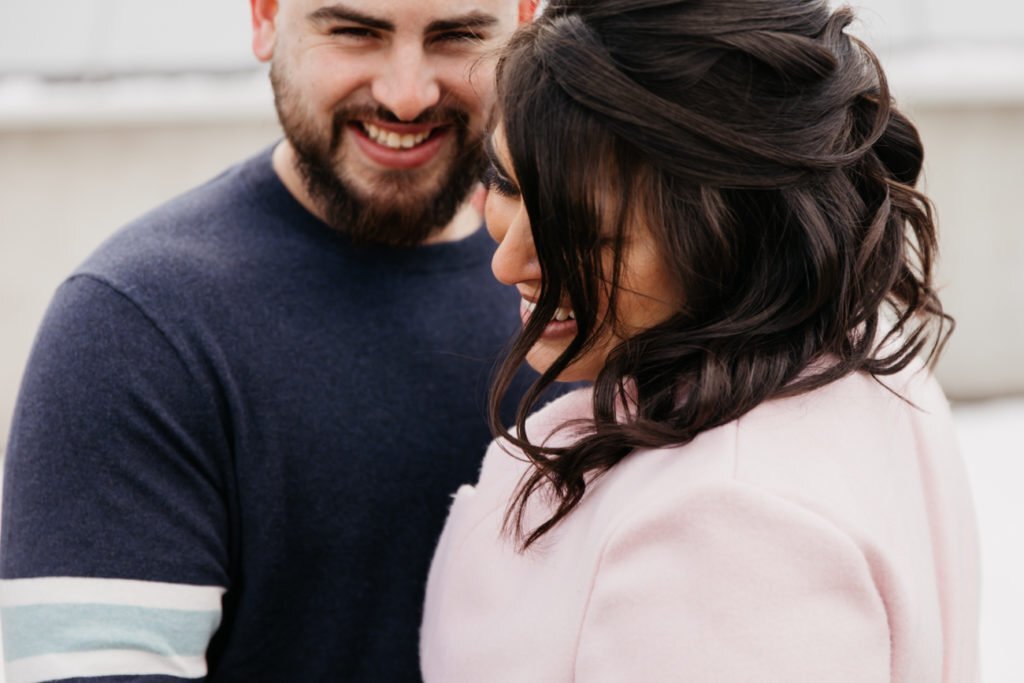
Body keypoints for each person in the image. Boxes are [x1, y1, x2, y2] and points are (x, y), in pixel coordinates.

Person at [420, 0, 981, 680]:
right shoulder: (856, 337)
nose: (505, 263)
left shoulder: (735, 535)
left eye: (583, 232)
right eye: (505, 183)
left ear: (730, 237)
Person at [0, 0, 542, 681]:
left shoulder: (593, 308)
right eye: (354, 32)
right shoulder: (136, 327)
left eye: (458, 36)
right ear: (264, 17)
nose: (409, 95)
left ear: (525, 23)